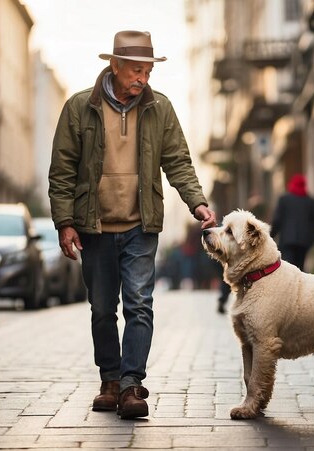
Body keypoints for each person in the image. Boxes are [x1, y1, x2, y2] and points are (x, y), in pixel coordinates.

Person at [48, 30, 216, 420]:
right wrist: (65, 222)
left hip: (141, 225)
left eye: (148, 70)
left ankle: (131, 385)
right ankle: (109, 379)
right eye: (136, 70)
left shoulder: (160, 108)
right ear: (115, 66)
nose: (143, 78)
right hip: (94, 227)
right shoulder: (79, 108)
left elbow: (177, 161)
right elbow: (62, 171)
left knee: (139, 304)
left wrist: (198, 203)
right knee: (103, 308)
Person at [270, 174, 314, 271]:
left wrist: (271, 236)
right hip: (304, 241)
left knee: (288, 268)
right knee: (300, 268)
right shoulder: (310, 201)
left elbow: (277, 220)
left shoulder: (284, 200)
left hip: (287, 240)